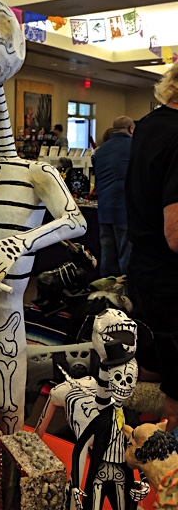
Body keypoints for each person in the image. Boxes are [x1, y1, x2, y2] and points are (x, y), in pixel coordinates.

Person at [126, 61, 178, 432]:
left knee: (147, 370)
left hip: (143, 271)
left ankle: (130, 445)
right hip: (172, 284)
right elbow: (176, 233)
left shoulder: (147, 125)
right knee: (173, 402)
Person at [93, 115, 134, 277]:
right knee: (126, 258)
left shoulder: (100, 151)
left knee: (107, 257)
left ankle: (106, 288)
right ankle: (125, 289)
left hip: (104, 210)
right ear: (131, 129)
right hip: (125, 209)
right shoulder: (134, 146)